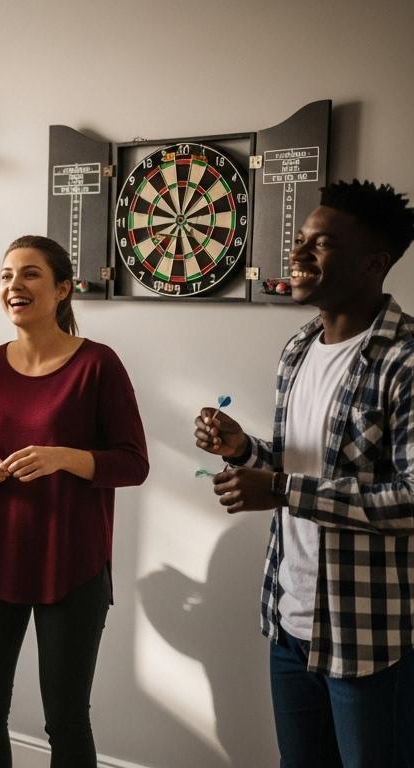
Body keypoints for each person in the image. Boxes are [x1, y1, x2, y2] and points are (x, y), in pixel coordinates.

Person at [195, 180, 414, 767]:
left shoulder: (407, 360)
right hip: (291, 621)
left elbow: (411, 499)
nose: (297, 255)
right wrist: (245, 452)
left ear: (374, 262)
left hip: (371, 638)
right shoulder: (299, 348)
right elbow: (303, 464)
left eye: (321, 244)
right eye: (299, 241)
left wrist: (282, 489)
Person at [0, 235, 148, 767]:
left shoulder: (98, 366)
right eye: (6, 275)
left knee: (65, 719)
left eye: (30, 274)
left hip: (73, 564)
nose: (14, 285)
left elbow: (133, 463)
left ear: (63, 289)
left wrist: (65, 457)